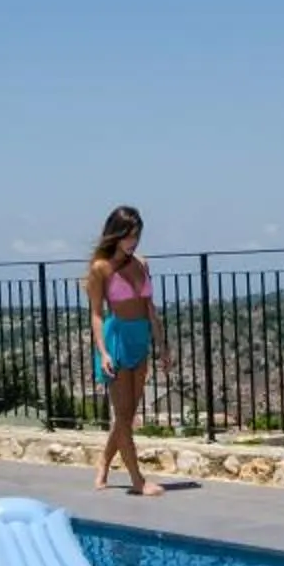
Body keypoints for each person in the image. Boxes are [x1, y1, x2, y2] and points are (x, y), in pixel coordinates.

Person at [84, 205, 168, 494]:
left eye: (137, 236)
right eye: (129, 236)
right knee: (123, 415)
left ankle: (104, 464)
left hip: (140, 338)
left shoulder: (142, 264)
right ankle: (137, 481)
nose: (134, 241)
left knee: (127, 415)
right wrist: (103, 352)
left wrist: (163, 346)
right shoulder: (100, 268)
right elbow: (96, 314)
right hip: (116, 339)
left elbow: (150, 308)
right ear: (115, 234)